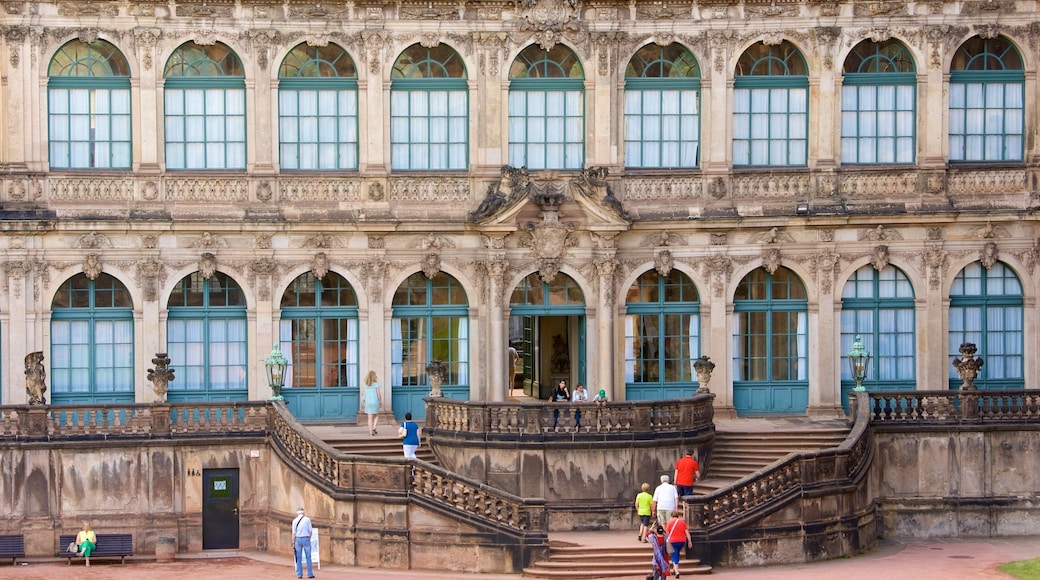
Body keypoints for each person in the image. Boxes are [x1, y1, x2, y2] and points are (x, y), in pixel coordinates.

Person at [665, 511, 693, 578]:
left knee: (674, 555)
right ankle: (675, 567)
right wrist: (689, 541)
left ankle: (676, 571)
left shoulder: (670, 523)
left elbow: (666, 533)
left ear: (671, 516)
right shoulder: (682, 523)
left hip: (673, 541)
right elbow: (687, 533)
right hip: (682, 541)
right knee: (676, 553)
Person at [291, 507, 315, 579]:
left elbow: (293, 533)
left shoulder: (294, 521)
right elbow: (310, 531)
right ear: (303, 512)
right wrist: (308, 538)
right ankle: (310, 574)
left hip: (298, 539)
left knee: (298, 558)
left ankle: (299, 574)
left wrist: (293, 542)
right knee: (308, 557)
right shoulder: (307, 520)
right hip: (306, 538)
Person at [361, 370, 382, 435]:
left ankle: (370, 433)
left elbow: (362, 394)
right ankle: (374, 427)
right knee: (377, 414)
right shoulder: (376, 384)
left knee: (369, 418)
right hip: (375, 401)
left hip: (368, 402)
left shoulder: (365, 384)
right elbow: (378, 394)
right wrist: (380, 401)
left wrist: (364, 400)